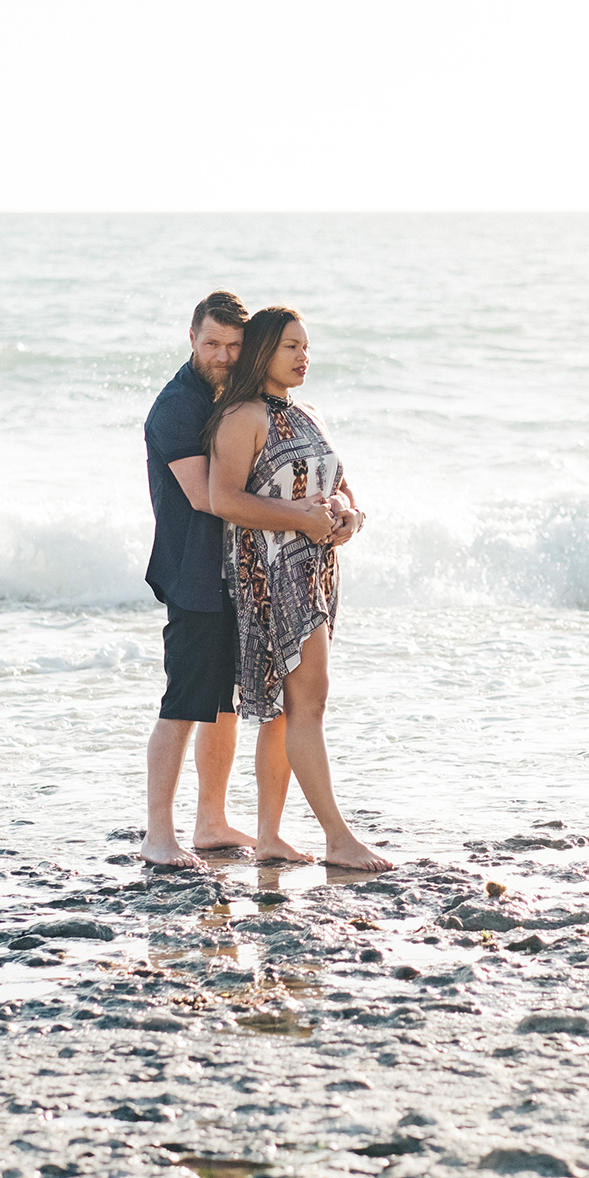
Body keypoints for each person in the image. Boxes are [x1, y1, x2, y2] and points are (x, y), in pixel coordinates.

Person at [141, 292, 340, 868]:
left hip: (245, 577)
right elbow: (209, 497)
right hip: (195, 574)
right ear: (191, 337)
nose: (224, 356)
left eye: (234, 345)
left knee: (226, 703)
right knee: (184, 702)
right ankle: (158, 834)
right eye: (213, 344)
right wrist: (305, 518)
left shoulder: (238, 397)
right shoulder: (178, 406)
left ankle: (210, 821)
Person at [204, 306, 392, 872]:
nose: (304, 356)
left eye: (307, 347)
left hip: (317, 570)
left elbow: (344, 488)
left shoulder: (308, 413)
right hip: (272, 574)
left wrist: (350, 518)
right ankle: (337, 837)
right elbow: (224, 499)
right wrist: (300, 518)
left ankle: (269, 838)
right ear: (263, 351)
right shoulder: (242, 416)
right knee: (308, 704)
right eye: (291, 347)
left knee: (289, 712)